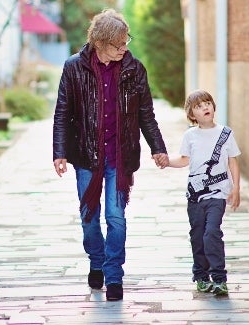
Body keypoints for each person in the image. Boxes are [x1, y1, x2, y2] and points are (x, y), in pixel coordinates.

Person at [52, 8, 169, 301]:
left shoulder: (134, 69)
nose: (123, 48)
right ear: (100, 42)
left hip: (120, 154)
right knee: (88, 217)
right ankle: (96, 260)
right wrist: (60, 152)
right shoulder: (73, 68)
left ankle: (114, 276)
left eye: (125, 42)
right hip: (86, 155)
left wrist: (158, 148)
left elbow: (146, 115)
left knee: (116, 217)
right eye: (118, 44)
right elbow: (62, 113)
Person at [167, 89, 241, 296]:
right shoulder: (190, 135)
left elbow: (233, 161)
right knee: (197, 236)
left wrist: (236, 188)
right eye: (198, 106)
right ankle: (201, 276)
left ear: (213, 107)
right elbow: (184, 160)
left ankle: (219, 278)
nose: (205, 107)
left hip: (218, 194)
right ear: (192, 115)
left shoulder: (225, 133)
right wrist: (166, 162)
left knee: (212, 234)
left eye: (207, 103)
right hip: (195, 196)